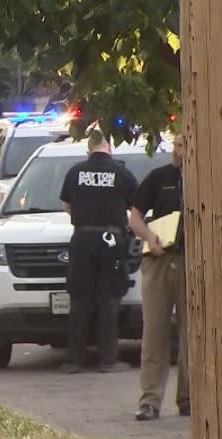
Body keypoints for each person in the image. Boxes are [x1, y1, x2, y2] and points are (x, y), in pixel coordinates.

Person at [59, 128, 138, 373]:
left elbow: (66, 205)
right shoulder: (121, 172)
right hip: (111, 239)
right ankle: (108, 360)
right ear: (109, 148)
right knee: (109, 298)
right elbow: (135, 207)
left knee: (80, 298)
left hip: (82, 237)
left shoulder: (75, 172)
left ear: (88, 149)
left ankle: (74, 360)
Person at [128, 133, 189, 420]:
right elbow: (135, 216)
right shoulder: (158, 177)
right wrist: (149, 237)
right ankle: (150, 401)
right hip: (159, 260)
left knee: (193, 335)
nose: (179, 151)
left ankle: (189, 398)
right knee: (155, 333)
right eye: (176, 145)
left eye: (185, 145)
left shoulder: (209, 177)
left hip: (193, 263)